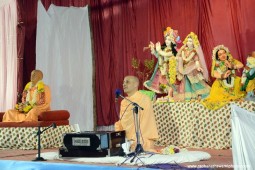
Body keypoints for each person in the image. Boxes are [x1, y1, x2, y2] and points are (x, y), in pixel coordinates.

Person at [115, 75, 159, 152]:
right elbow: (122, 121)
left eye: (127, 82)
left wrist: (135, 138)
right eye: (123, 82)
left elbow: (147, 122)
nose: (124, 84)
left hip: (141, 137)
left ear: (135, 84)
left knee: (140, 144)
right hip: (126, 138)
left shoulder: (144, 99)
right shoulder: (124, 101)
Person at [201, 45, 245, 110]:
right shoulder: (217, 64)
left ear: (227, 53)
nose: (223, 55)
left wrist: (232, 66)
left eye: (224, 53)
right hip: (221, 83)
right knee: (219, 96)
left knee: (240, 85)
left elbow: (241, 65)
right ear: (218, 57)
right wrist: (222, 76)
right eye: (220, 54)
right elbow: (213, 73)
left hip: (234, 82)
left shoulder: (231, 60)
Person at [143, 27, 181, 102]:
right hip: (163, 70)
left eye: (169, 39)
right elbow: (159, 56)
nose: (166, 41)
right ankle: (169, 95)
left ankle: (172, 96)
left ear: (173, 41)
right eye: (166, 39)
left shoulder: (175, 50)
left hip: (171, 71)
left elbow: (164, 54)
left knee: (173, 85)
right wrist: (154, 50)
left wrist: (159, 50)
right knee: (162, 85)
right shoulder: (165, 48)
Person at [175, 32, 211, 101]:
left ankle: (200, 94)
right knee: (187, 83)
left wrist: (197, 66)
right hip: (185, 68)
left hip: (192, 68)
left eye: (191, 41)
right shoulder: (183, 49)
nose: (189, 43)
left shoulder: (194, 51)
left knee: (196, 82)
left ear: (193, 43)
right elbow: (183, 58)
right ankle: (191, 96)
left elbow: (187, 59)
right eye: (188, 41)